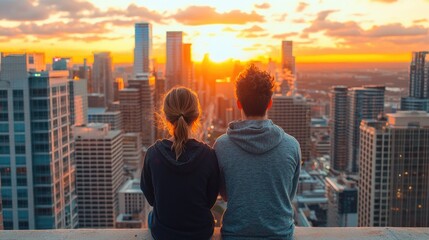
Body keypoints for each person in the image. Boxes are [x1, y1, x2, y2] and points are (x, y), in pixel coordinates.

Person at [214, 64, 301, 240]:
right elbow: (287, 194)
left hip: (235, 235)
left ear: (239, 103)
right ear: (270, 102)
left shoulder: (221, 146)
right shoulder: (292, 146)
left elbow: (225, 194)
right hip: (280, 235)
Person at [140, 87, 219, 240]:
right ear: (196, 116)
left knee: (152, 216)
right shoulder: (209, 156)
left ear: (166, 116)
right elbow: (210, 200)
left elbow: (151, 198)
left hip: (163, 233)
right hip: (200, 233)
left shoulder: (153, 154)